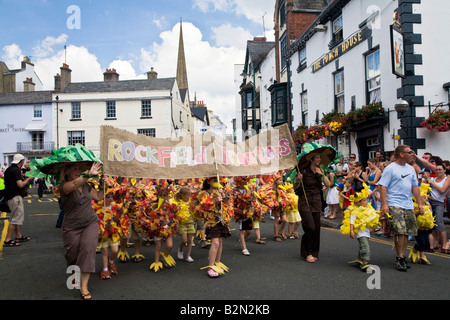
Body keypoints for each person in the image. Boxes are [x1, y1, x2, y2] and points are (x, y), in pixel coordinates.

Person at [59, 161, 104, 299]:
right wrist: (88, 175)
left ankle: (84, 286)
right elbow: (72, 186)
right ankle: (73, 273)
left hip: (90, 222)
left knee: (87, 251)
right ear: (67, 171)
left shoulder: (85, 185)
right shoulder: (63, 186)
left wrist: (103, 183)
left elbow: (99, 196)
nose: (78, 171)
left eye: (80, 169)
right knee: (72, 254)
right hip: (71, 226)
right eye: (75, 169)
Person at [378, 145, 424, 272]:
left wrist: (419, 204)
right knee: (400, 231)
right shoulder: (391, 168)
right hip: (394, 203)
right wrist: (385, 204)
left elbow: (415, 187)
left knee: (407, 232)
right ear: (401, 154)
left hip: (408, 204)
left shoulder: (410, 169)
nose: (412, 154)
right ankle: (399, 257)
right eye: (410, 152)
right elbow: (382, 187)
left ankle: (402, 256)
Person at [294, 154, 331, 263]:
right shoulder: (303, 171)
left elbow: (328, 184)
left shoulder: (321, 170)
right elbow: (294, 186)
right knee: (310, 226)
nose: (319, 160)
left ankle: (314, 252)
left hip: (316, 201)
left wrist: (321, 175)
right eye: (317, 158)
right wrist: (297, 179)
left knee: (316, 228)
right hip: (304, 200)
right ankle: (307, 252)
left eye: (320, 158)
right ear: (311, 159)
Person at [192, 177, 232, 277]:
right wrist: (214, 200)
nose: (216, 182)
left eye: (218, 180)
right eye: (214, 180)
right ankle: (210, 267)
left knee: (220, 242)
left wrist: (223, 195)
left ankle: (217, 263)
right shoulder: (204, 193)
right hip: (211, 221)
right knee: (215, 242)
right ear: (208, 182)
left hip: (221, 220)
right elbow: (202, 207)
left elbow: (228, 204)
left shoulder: (220, 191)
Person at [3, 154, 34, 247]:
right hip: (15, 196)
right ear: (21, 161)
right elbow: (20, 185)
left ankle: (18, 236)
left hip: (9, 196)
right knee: (16, 218)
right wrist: (28, 179)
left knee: (16, 217)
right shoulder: (16, 171)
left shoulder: (9, 169)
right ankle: (8, 239)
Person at [426, 163, 450, 252]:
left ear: (444, 170)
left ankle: (444, 243)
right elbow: (429, 191)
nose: (438, 171)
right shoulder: (434, 179)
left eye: (440, 169)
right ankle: (435, 243)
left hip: (439, 203)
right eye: (437, 170)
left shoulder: (447, 179)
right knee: (432, 223)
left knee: (440, 223)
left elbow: (443, 190)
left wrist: (432, 183)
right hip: (431, 203)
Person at [175, 186, 195, 262]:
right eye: (188, 195)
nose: (190, 196)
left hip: (191, 223)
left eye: (190, 195)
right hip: (182, 224)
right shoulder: (179, 204)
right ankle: (180, 250)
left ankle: (188, 256)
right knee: (184, 240)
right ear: (182, 195)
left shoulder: (191, 203)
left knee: (190, 240)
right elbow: (176, 214)